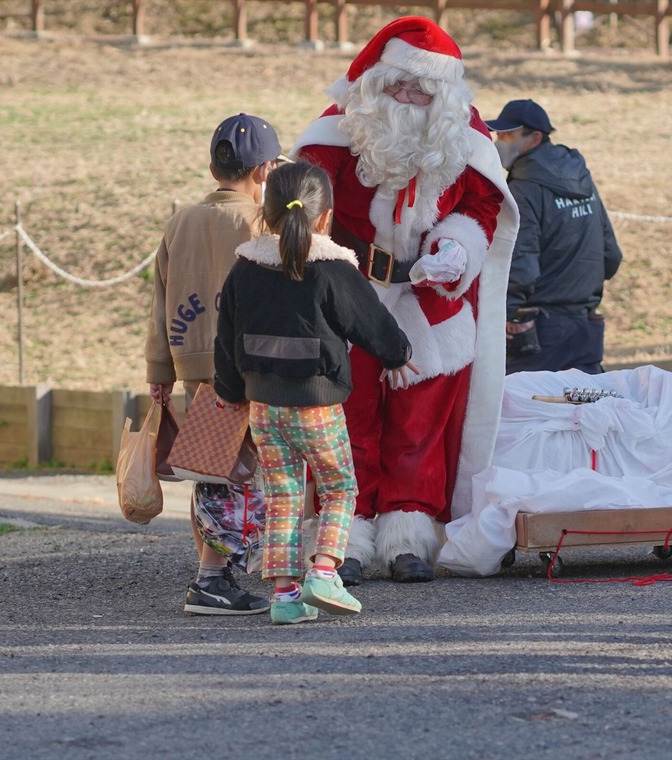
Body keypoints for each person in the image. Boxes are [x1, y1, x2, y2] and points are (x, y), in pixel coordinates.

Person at [291, 16, 519, 584]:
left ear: (444, 95)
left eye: (424, 91)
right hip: (351, 296)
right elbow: (305, 204)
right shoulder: (338, 131)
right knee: (348, 420)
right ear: (376, 84)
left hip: (430, 301)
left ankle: (409, 536)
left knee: (419, 426)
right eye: (400, 87)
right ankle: (343, 538)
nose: (411, 99)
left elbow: (483, 206)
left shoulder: (465, 134)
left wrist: (457, 249)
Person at [213, 161, 417, 624]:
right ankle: (324, 572)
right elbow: (371, 321)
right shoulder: (332, 268)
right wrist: (398, 354)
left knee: (282, 495)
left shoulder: (245, 267)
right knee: (340, 487)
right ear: (325, 217)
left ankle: (286, 596)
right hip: (317, 406)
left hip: (264, 407)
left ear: (265, 213)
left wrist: (229, 389)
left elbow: (226, 336)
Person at [144, 112, 282, 616]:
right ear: (265, 171)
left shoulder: (180, 221)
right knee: (241, 471)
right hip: (246, 363)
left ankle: (212, 570)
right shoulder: (262, 222)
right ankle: (212, 579)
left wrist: (159, 372)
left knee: (208, 465)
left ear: (212, 168)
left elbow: (160, 302)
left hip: (191, 361)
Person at [484, 99, 623, 374]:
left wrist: (502, 317)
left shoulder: (524, 189)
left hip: (540, 333)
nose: (500, 142)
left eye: (509, 135)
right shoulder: (581, 179)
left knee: (525, 401)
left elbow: (520, 265)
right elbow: (611, 256)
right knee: (585, 402)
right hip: (586, 327)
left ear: (536, 138)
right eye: (498, 135)